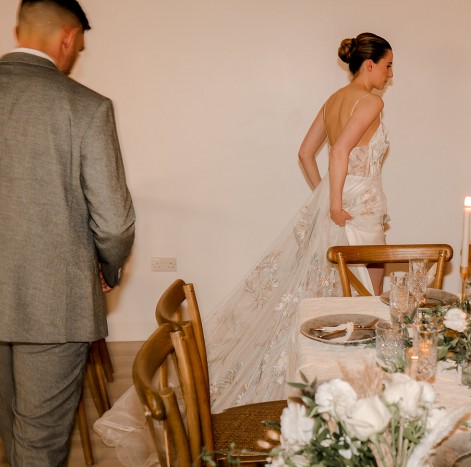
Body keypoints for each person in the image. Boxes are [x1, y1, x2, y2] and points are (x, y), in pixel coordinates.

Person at [93, 33, 392, 465]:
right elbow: (339, 152)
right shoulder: (372, 102)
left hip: (340, 206)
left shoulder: (332, 100)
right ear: (369, 66)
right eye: (387, 65)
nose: (389, 74)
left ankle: (338, 400)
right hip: (358, 213)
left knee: (324, 301)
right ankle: (354, 408)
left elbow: (306, 153)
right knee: (367, 306)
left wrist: (325, 198)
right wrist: (334, 203)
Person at [0, 0, 136, 465]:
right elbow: (115, 222)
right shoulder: (86, 107)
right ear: (68, 37)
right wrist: (107, 267)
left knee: (8, 434)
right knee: (37, 443)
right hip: (52, 301)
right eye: (80, 40)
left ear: (19, 30)